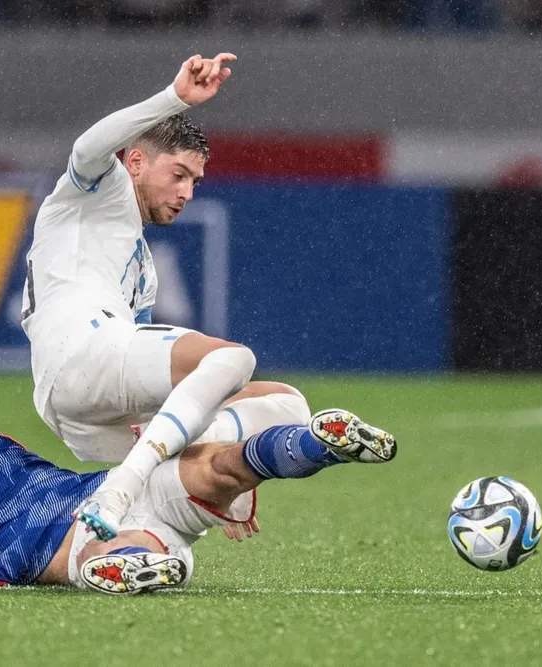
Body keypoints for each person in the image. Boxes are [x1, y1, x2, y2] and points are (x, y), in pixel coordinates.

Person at [21, 52, 341, 543]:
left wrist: (228, 478)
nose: (187, 191)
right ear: (135, 162)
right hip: (78, 356)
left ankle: (182, 504)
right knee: (233, 358)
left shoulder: (143, 268)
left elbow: (153, 371)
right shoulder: (96, 191)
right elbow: (89, 145)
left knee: (288, 407)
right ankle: (121, 489)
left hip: (89, 409)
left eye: (195, 181)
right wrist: (173, 98)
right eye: (178, 174)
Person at [0, 402, 396, 595]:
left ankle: (321, 441)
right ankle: (148, 563)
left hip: (111, 491)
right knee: (108, 561)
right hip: (82, 541)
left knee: (220, 467)